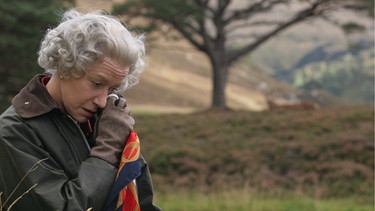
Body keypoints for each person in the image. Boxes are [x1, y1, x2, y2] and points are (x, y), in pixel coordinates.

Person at [0, 9, 161, 211]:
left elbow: (140, 202)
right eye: (96, 83)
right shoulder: (14, 131)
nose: (103, 101)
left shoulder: (107, 119)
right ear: (64, 66)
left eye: (113, 89)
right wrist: (108, 150)